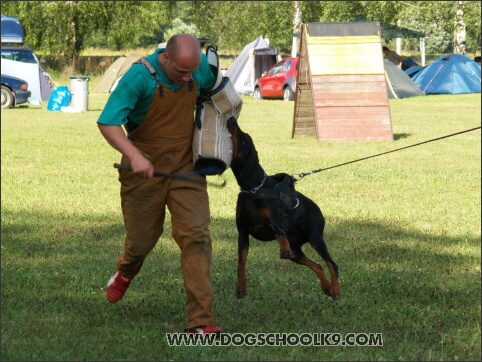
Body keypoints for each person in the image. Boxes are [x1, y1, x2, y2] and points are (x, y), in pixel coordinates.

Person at [97, 34, 223, 334]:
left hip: (186, 168)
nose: (188, 77)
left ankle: (200, 322)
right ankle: (125, 272)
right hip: (143, 171)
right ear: (165, 58)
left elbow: (213, 92)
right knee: (142, 242)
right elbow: (108, 122)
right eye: (181, 72)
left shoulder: (197, 68)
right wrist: (134, 156)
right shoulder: (139, 77)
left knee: (196, 237)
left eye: (192, 71)